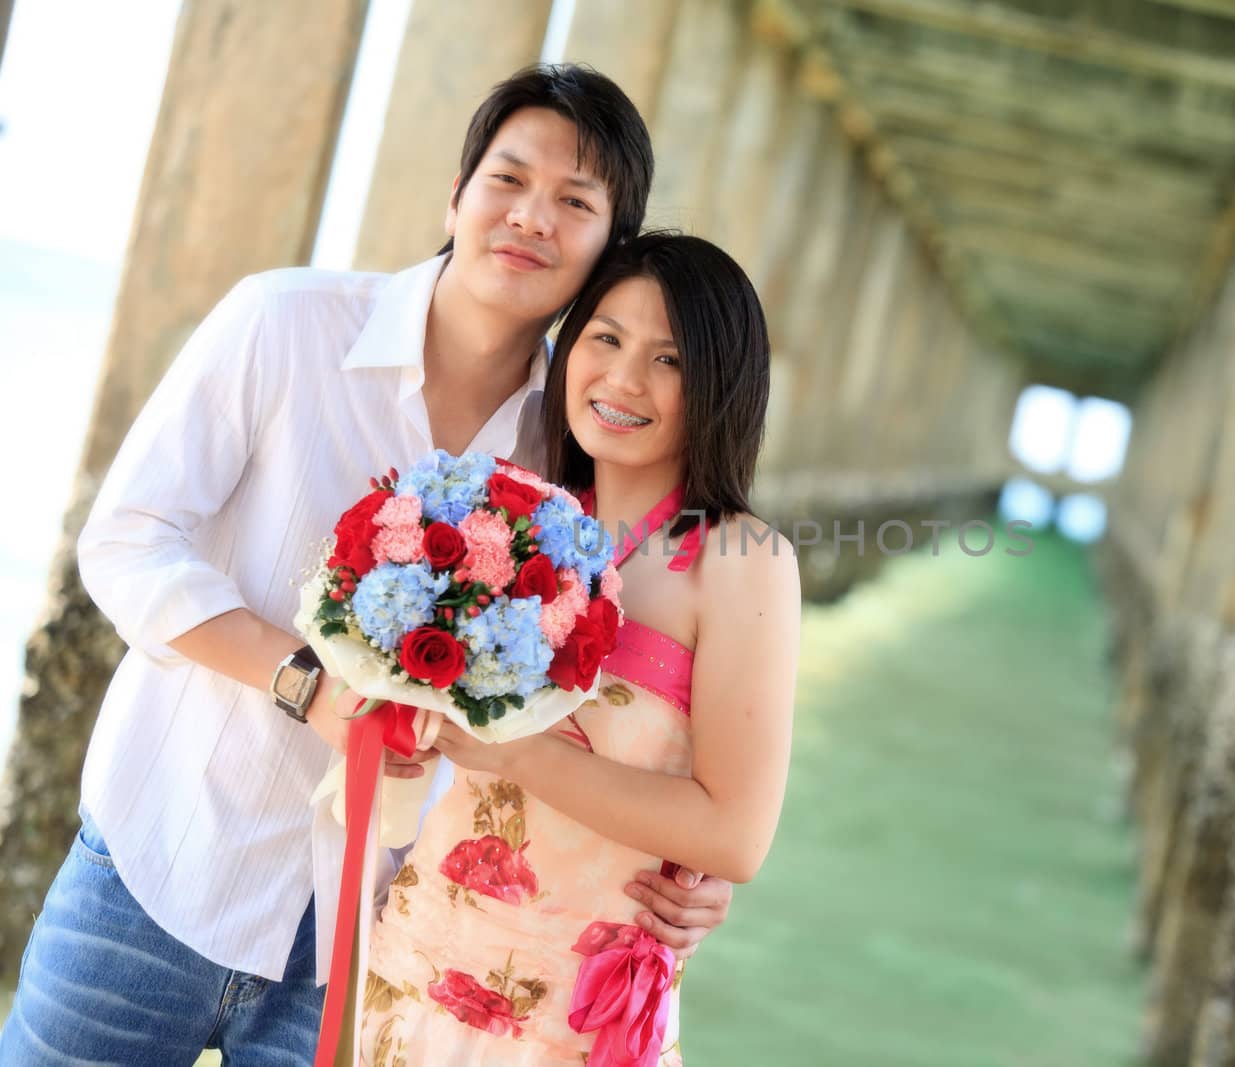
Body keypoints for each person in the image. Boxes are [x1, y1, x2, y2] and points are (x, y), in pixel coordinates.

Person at [0, 66, 736, 1066]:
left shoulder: (568, 461)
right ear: (456, 194)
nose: (530, 218)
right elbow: (125, 537)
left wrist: (682, 866)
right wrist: (305, 681)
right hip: (157, 869)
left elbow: (608, 694)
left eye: (575, 204)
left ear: (609, 249)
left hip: (362, 942)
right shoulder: (283, 323)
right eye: (507, 180)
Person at [358, 232, 800, 1066]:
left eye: (669, 359)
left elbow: (736, 834)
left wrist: (523, 754)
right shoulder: (512, 519)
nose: (624, 380)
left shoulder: (740, 559)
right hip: (407, 980)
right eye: (605, 338)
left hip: (567, 1025)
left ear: (719, 383)